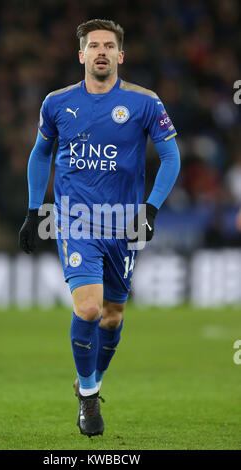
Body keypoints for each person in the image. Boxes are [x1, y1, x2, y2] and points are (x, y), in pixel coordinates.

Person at [19, 19, 180, 437]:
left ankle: (90, 383)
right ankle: (89, 401)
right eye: (94, 46)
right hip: (74, 221)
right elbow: (40, 154)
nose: (102, 52)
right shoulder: (56, 103)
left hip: (122, 224)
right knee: (89, 308)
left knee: (112, 316)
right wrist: (36, 211)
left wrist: (151, 209)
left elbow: (171, 157)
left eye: (109, 46)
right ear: (81, 55)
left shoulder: (145, 103)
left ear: (121, 55)